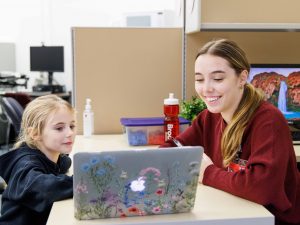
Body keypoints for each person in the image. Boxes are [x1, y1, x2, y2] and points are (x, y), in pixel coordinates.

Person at [161, 39, 300, 225]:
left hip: (272, 220)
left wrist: (207, 173)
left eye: (217, 79)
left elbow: (260, 187)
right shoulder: (208, 118)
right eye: (199, 79)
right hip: (235, 211)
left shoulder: (269, 121)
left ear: (242, 78)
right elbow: (172, 148)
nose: (206, 88)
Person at [0, 94, 76, 225]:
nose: (69, 133)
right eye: (59, 128)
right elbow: (44, 188)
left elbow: (64, 163)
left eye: (72, 126)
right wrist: (84, 182)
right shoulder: (25, 165)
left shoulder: (52, 157)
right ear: (35, 133)